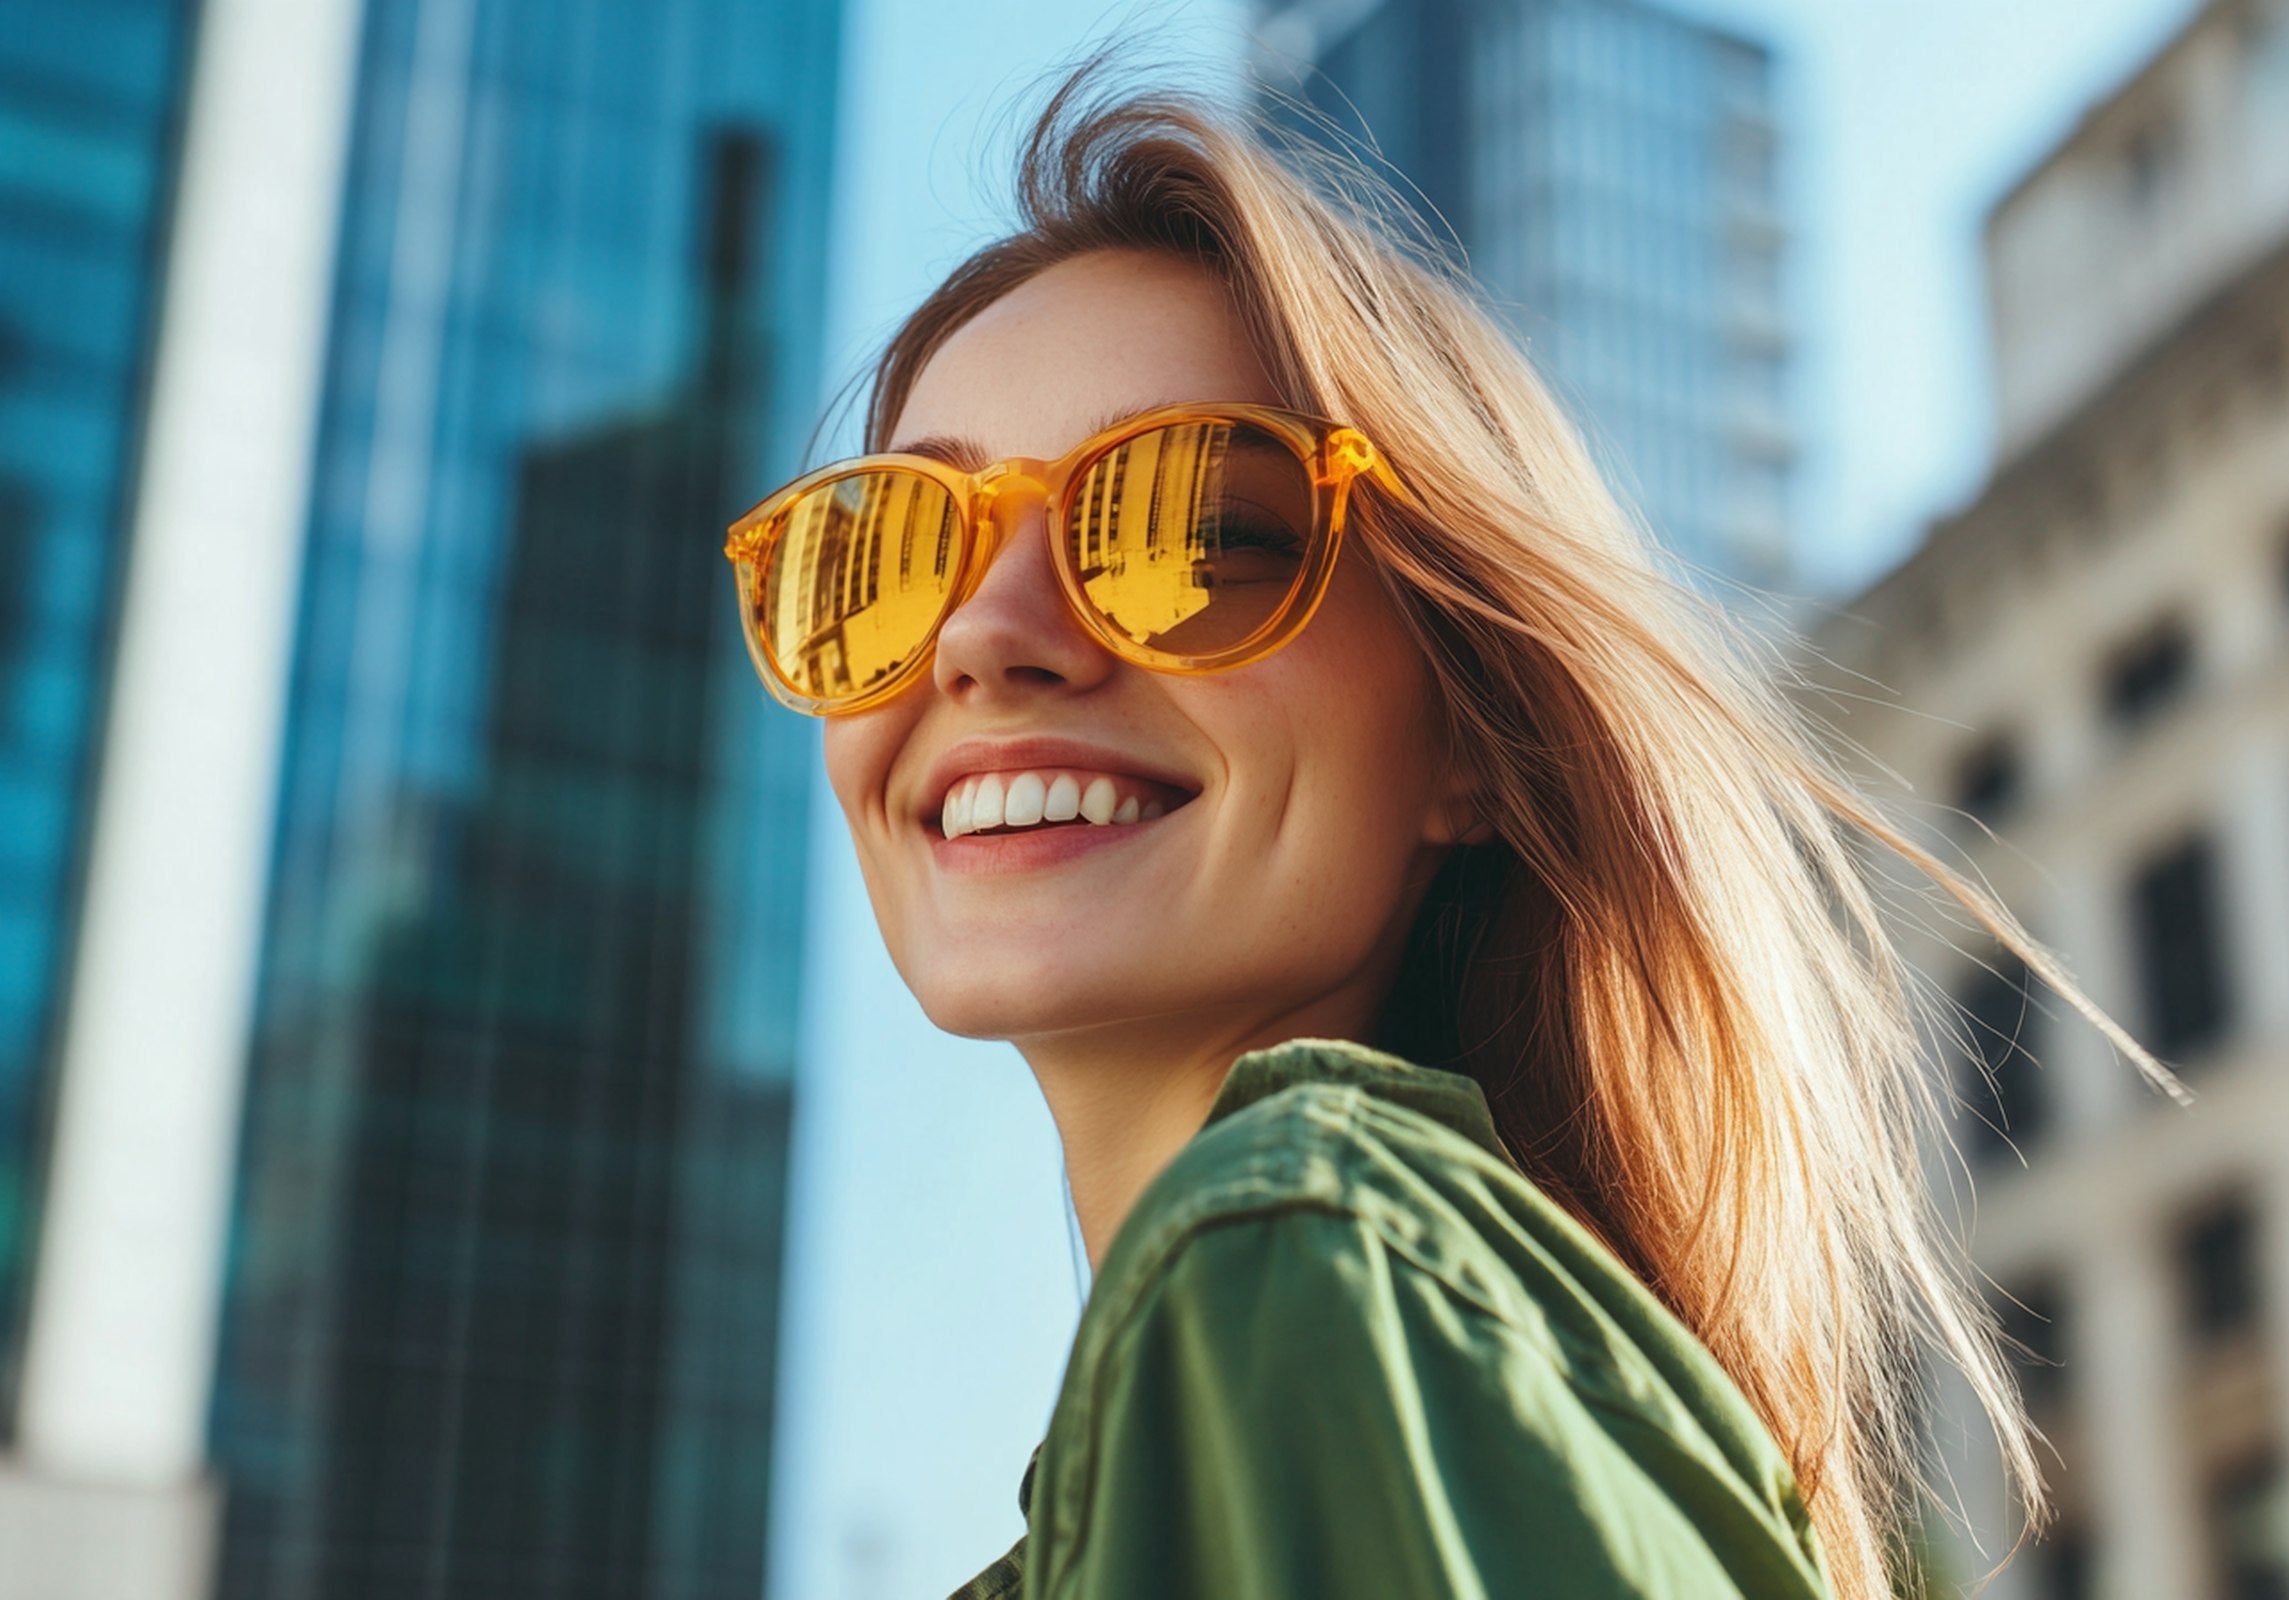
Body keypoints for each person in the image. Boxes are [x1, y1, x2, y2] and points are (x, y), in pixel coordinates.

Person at [721, 67, 2185, 1600]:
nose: (985, 640)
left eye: (1199, 535)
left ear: (1472, 739)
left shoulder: (1306, 1263)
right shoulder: (1335, 1373)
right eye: (885, 552)